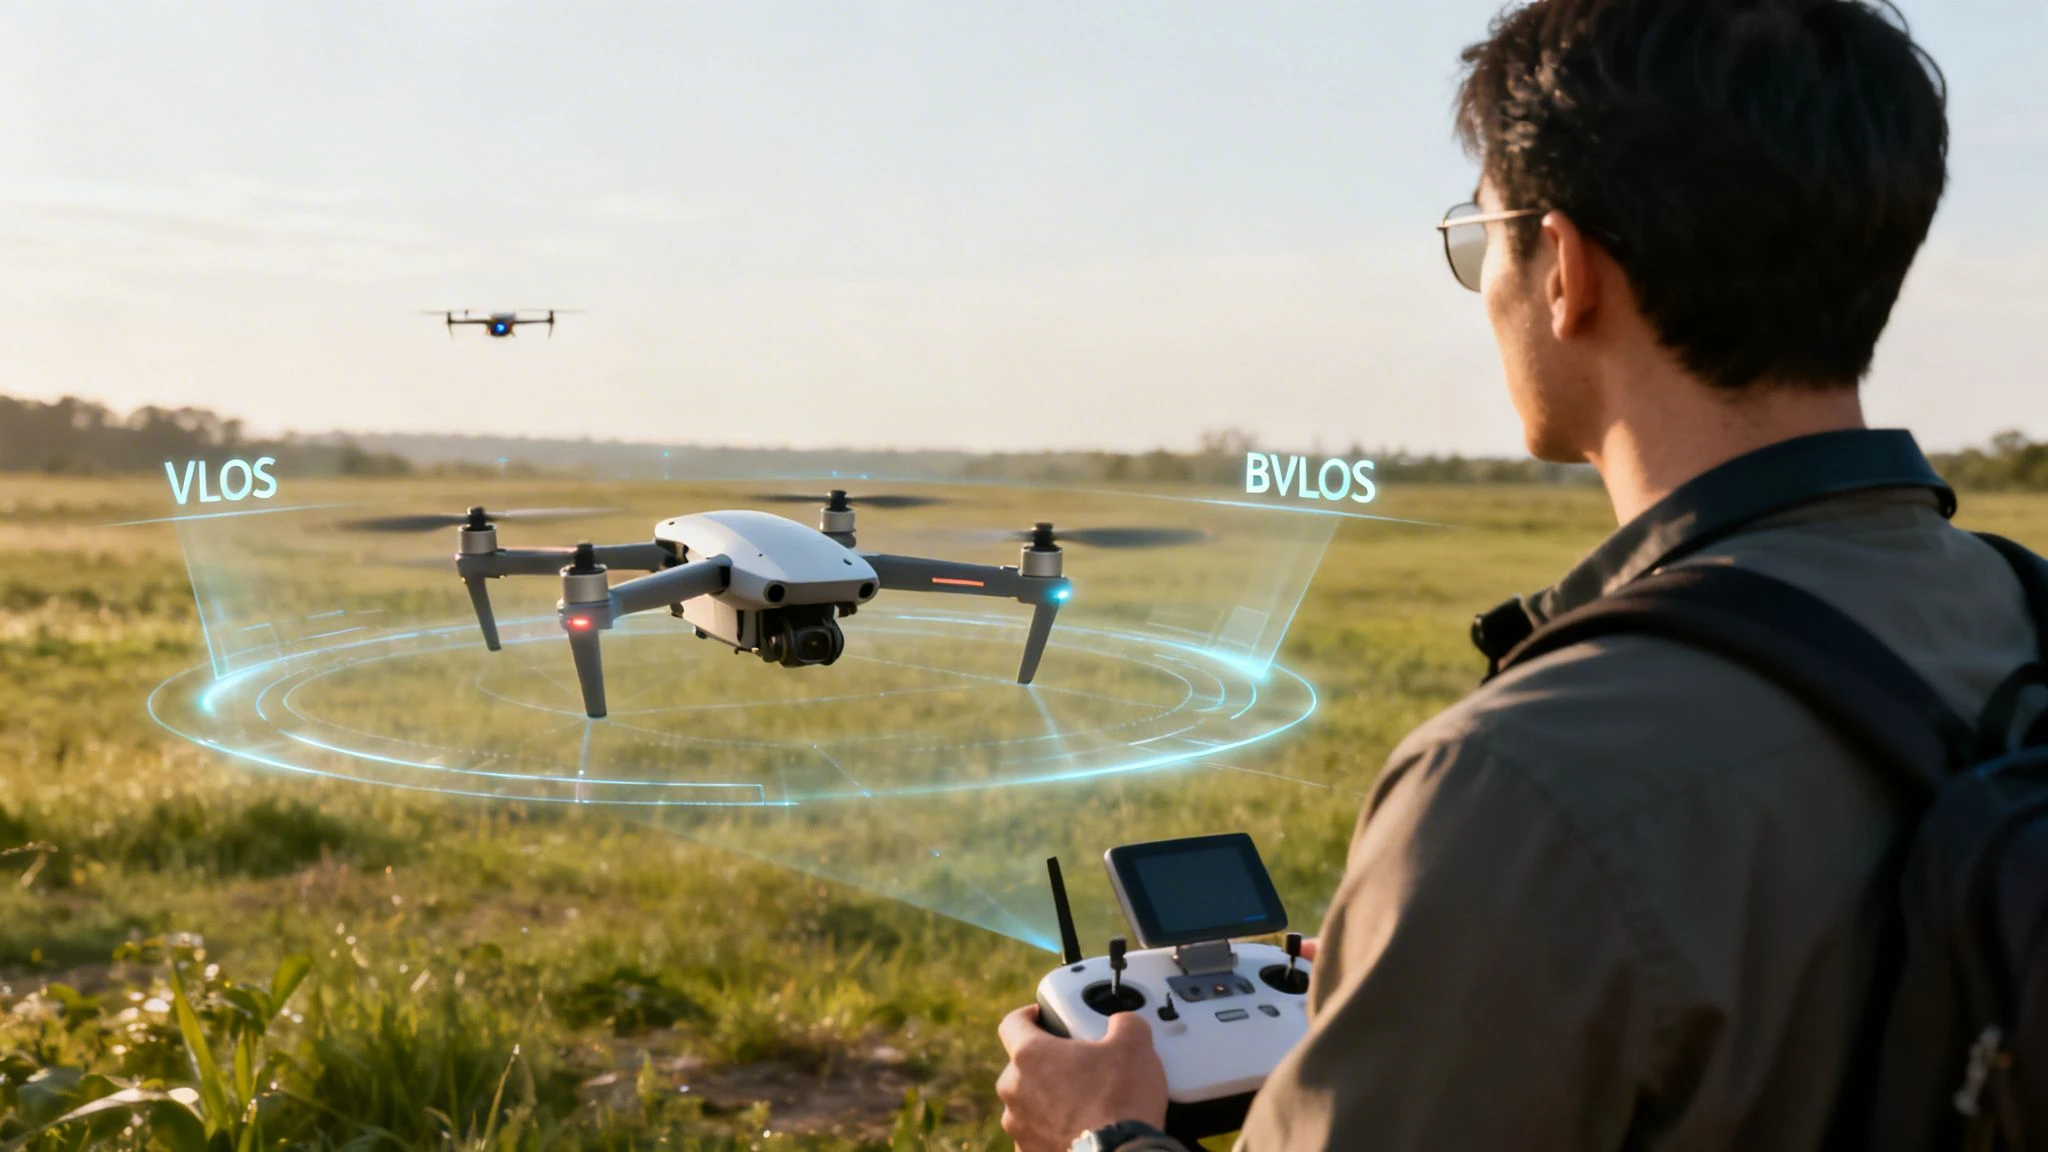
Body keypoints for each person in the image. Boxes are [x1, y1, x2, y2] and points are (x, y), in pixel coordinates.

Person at [994, 0, 2038, 1149]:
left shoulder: (1518, 786)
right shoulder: (2020, 612)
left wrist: (1102, 1133)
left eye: (1480, 235)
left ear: (1566, 269)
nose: (1481, 279)